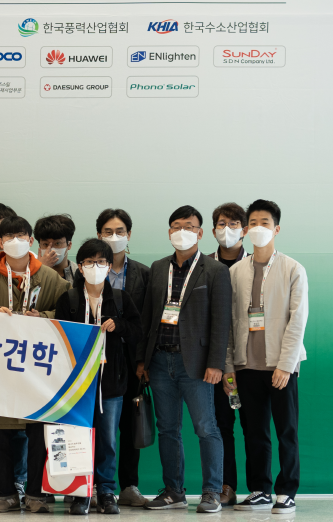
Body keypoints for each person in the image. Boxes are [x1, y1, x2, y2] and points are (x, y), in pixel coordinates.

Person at [0, 215, 70, 514]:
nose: (15, 241)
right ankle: (4, 494)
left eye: (21, 236)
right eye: (9, 237)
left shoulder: (50, 278)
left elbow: (69, 313)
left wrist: (43, 317)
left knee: (39, 432)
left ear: (31, 240)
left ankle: (37, 494)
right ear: (0, 242)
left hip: (40, 369)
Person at [136, 205, 231, 514]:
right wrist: (143, 361)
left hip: (197, 365)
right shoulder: (158, 268)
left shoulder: (215, 270)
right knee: (167, 428)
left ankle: (212, 491)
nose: (182, 232)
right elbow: (148, 316)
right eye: (176, 226)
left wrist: (216, 363)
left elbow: (222, 321)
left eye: (189, 227)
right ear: (169, 232)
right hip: (159, 362)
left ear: (200, 233)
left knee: (206, 427)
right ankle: (173, 491)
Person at [225, 200, 306, 515]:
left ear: (277, 228)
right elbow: (229, 322)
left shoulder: (293, 269)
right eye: (254, 223)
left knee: (286, 430)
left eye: (265, 222)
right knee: (255, 431)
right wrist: (230, 366)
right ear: (246, 230)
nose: (259, 228)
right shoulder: (236, 271)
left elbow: (298, 320)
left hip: (280, 367)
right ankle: (259, 489)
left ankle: (287, 491)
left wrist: (286, 365)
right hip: (247, 366)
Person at [54, 239, 143, 515]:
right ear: (80, 267)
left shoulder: (120, 298)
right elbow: (58, 336)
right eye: (90, 262)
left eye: (102, 262)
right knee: (78, 437)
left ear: (108, 265)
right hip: (77, 383)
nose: (96, 266)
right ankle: (81, 492)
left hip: (111, 382)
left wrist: (120, 325)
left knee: (108, 439)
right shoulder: (69, 299)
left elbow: (137, 331)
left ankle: (106, 491)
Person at [94, 209, 150, 510]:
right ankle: (95, 487)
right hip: (98, 362)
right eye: (107, 231)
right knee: (98, 426)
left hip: (133, 359)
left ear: (129, 235)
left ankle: (129, 486)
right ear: (99, 235)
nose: (113, 237)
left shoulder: (144, 272)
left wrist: (143, 360)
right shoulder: (89, 269)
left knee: (130, 424)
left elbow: (148, 320)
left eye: (119, 231)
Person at [206, 201, 247, 509]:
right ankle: (226, 486)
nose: (227, 229)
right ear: (212, 230)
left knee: (254, 426)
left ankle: (260, 488)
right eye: (222, 224)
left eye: (234, 224)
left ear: (244, 230)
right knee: (222, 425)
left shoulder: (257, 265)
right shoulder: (203, 265)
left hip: (251, 361)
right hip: (216, 363)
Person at [35, 214, 77, 284]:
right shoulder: (29, 273)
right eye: (45, 244)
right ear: (40, 246)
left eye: (57, 243)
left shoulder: (79, 273)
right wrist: (41, 269)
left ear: (69, 245)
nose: (51, 250)